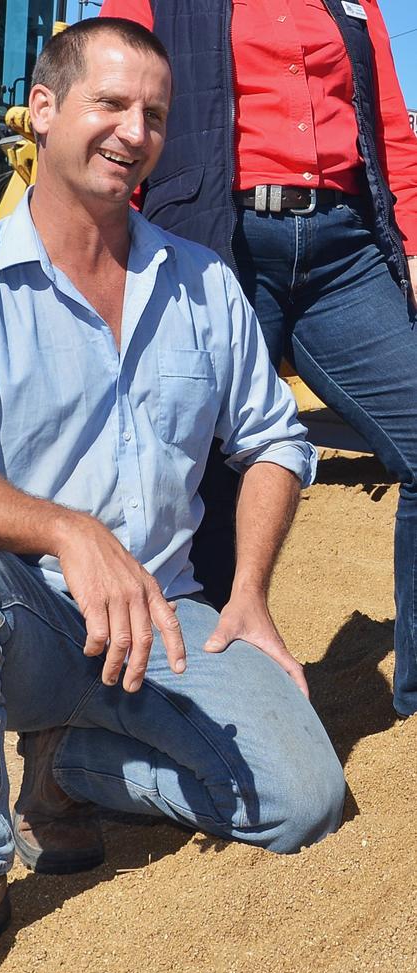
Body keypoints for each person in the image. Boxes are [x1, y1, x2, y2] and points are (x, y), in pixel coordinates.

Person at [0, 18, 345, 973]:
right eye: (110, 105)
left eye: (154, 116)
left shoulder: (203, 286)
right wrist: (63, 530)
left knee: (303, 802)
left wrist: (247, 591)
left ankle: (71, 768)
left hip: (169, 630)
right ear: (42, 111)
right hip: (30, 628)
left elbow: (271, 442)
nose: (133, 131)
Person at [99, 0, 417, 720]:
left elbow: (393, 131)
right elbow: (112, 102)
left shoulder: (353, 3)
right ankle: (197, 703)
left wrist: (415, 241)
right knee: (195, 469)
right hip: (217, 235)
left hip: (346, 251)